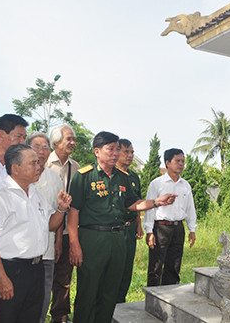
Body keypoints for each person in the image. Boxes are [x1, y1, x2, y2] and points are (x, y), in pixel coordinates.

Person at [68, 131, 177, 323]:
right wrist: (74, 244)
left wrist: (157, 202)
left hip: (118, 240)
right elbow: (73, 212)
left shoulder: (123, 177)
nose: (115, 153)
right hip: (93, 239)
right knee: (88, 290)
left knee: (111, 290)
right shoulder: (83, 176)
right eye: (110, 149)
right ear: (97, 151)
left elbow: (133, 204)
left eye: (117, 149)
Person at [0, 144, 72, 323]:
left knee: (32, 317)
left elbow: (50, 225)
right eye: (33, 163)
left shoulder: (36, 193)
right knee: (7, 317)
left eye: (38, 163)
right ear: (15, 168)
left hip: (36, 269)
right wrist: (1, 277)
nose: (39, 167)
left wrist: (61, 210)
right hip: (11, 271)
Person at [143, 148, 197, 286]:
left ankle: (170, 298)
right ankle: (153, 298)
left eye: (183, 161)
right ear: (167, 162)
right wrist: (149, 231)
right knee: (156, 266)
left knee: (174, 265)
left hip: (178, 228)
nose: (181, 164)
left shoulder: (185, 185)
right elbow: (149, 208)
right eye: (177, 161)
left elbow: (190, 208)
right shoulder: (157, 184)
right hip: (160, 228)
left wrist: (192, 229)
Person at [26, 132, 64, 323]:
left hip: (46, 252)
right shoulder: (17, 174)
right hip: (21, 255)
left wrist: (59, 241)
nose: (41, 152)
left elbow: (58, 210)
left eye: (45, 147)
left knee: (42, 300)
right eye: (36, 147)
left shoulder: (54, 178)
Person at [46, 125, 80, 323]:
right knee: (43, 276)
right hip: (43, 230)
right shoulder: (44, 164)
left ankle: (60, 317)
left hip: (67, 230)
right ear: (56, 142)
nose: (73, 143)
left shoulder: (76, 168)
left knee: (64, 279)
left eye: (73, 139)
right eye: (69, 139)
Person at [115, 139, 143, 303]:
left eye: (132, 152)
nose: (130, 155)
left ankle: (120, 303)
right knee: (114, 268)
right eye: (126, 151)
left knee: (127, 268)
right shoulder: (111, 174)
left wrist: (138, 225)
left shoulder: (133, 177)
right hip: (115, 229)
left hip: (130, 228)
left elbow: (137, 202)